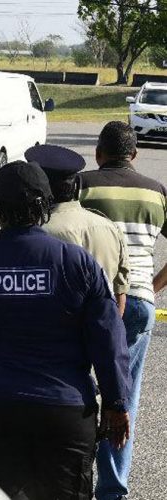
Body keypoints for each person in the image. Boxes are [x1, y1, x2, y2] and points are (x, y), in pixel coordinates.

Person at [0, 160, 131, 500]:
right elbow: (109, 338)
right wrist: (117, 403)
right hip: (65, 412)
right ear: (45, 207)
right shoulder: (79, 264)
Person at [78, 121, 167, 500]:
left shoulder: (83, 184)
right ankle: (112, 491)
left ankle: (73, 478)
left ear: (98, 153)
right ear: (134, 155)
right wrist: (151, 289)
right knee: (122, 400)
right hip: (139, 303)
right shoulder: (158, 192)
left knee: (77, 389)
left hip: (88, 302)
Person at [26, 144, 130, 316]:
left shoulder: (39, 233)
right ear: (75, 187)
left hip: (57, 334)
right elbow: (120, 295)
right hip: (98, 331)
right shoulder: (109, 227)